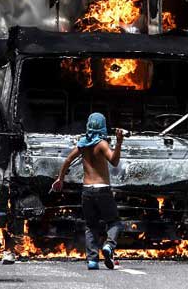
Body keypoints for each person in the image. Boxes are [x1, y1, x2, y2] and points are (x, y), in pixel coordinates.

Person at [51, 112, 123, 270]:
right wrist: (119, 142)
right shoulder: (102, 144)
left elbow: (68, 159)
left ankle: (92, 260)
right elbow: (115, 161)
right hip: (102, 189)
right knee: (114, 222)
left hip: (87, 191)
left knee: (91, 225)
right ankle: (109, 246)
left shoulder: (82, 144)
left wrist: (60, 179)